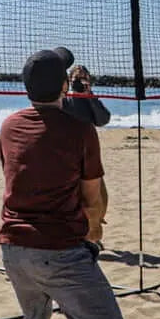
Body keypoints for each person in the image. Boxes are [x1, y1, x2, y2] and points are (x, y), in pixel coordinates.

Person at [0, 47, 133, 319]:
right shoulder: (79, 130)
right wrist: (93, 230)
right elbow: (94, 197)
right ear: (64, 86)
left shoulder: (8, 126)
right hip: (59, 250)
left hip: (12, 247)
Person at [62, 58, 111, 245]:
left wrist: (89, 93)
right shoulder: (65, 100)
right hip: (69, 156)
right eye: (76, 78)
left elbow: (103, 119)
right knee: (79, 199)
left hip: (88, 154)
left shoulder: (90, 99)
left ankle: (94, 231)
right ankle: (83, 237)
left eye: (83, 78)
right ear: (69, 81)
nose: (80, 81)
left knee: (102, 198)